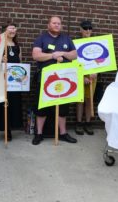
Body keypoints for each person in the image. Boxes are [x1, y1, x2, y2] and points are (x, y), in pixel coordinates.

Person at [31, 16, 78, 145]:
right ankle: (38, 134)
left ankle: (63, 133)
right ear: (48, 25)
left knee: (62, 108)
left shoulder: (66, 38)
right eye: (54, 23)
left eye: (59, 23)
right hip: (46, 79)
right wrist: (52, 55)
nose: (57, 25)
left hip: (64, 79)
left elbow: (74, 54)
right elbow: (36, 55)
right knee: (43, 107)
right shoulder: (41, 38)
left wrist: (62, 53)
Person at [0, 23, 22, 143]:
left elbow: (19, 64)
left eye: (14, 28)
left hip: (11, 83)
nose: (14, 30)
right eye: (11, 28)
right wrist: (0, 60)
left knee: (10, 106)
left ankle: (7, 129)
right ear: (4, 31)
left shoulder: (17, 46)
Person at [75, 20, 97, 136]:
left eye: (89, 28)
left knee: (89, 100)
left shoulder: (96, 43)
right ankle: (78, 123)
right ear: (80, 29)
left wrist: (96, 72)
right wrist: (82, 76)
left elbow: (101, 59)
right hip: (80, 75)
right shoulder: (76, 43)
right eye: (85, 28)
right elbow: (74, 61)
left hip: (92, 76)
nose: (87, 30)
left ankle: (88, 123)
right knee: (80, 100)